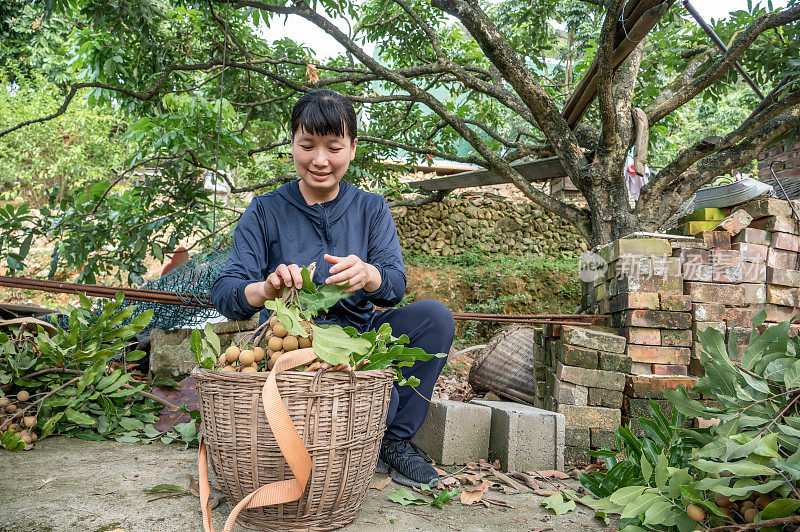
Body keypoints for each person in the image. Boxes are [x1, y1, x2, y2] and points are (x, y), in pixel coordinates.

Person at [211, 89, 454, 488]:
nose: (319, 160)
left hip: (359, 339)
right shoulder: (265, 210)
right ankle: (363, 428)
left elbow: (394, 286)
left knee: (434, 318)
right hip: (294, 347)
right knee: (381, 403)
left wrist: (370, 275)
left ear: (353, 148)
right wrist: (266, 289)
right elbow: (227, 291)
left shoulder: (371, 209)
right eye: (306, 145)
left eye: (333, 147)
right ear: (292, 144)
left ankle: (394, 443)